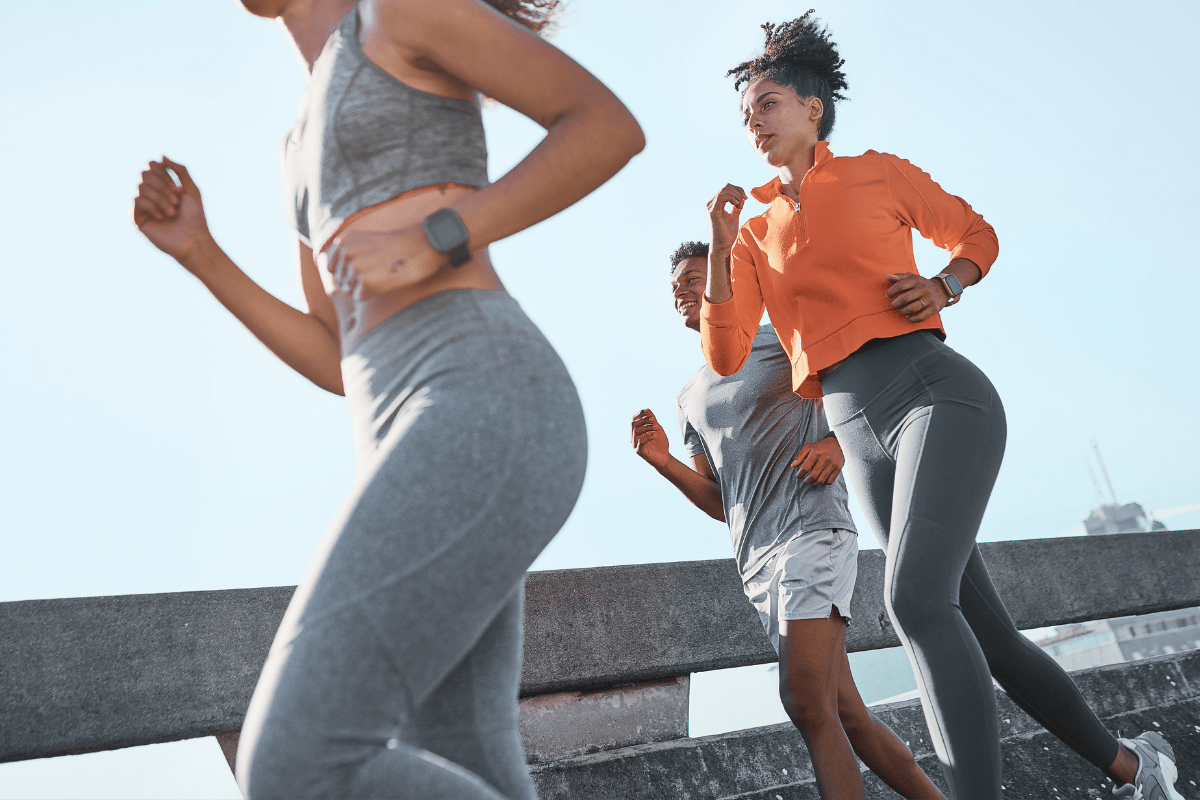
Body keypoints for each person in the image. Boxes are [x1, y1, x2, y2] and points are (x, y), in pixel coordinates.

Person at [130, 0, 644, 796]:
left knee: (297, 764)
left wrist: (440, 233)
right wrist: (203, 255)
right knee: (468, 756)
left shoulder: (398, 13)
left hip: (486, 398)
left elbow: (606, 124)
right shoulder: (296, 139)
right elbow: (336, 355)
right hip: (414, 434)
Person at [699, 12, 1181, 800]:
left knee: (915, 598)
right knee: (981, 629)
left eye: (766, 104)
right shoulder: (753, 234)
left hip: (936, 396)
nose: (752, 122)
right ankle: (1140, 769)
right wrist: (719, 244)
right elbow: (724, 355)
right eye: (747, 112)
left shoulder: (876, 174)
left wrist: (944, 283)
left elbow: (976, 233)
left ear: (812, 108)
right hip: (861, 435)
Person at [630, 241, 947, 800]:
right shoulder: (688, 396)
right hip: (757, 563)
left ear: (728, 281)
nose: (680, 288)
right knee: (843, 711)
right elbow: (718, 500)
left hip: (813, 532)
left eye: (694, 277)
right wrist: (663, 463)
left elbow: (871, 390)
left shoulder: (782, 335)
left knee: (804, 703)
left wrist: (836, 444)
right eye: (675, 282)